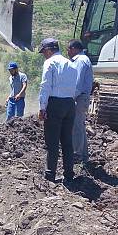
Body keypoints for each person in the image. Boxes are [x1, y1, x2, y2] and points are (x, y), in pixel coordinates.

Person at [37, 38, 78, 183]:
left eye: (44, 52)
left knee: (52, 141)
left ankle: (50, 175)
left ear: (48, 50)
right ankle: (69, 174)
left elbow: (45, 86)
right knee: (67, 141)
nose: (44, 55)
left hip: (55, 103)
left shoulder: (50, 63)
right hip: (70, 104)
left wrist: (42, 107)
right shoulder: (71, 64)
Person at [68, 39, 94, 164]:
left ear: (73, 48)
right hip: (82, 96)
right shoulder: (85, 59)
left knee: (76, 125)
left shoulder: (80, 61)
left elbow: (76, 82)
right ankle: (83, 154)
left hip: (79, 97)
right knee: (80, 125)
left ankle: (77, 154)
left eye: (68, 49)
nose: (67, 52)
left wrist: (70, 97)